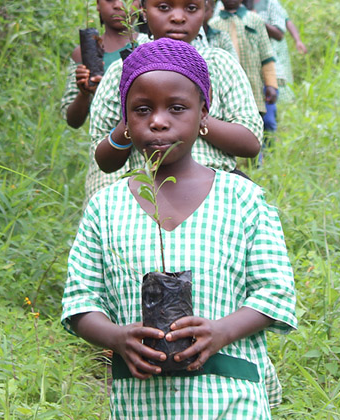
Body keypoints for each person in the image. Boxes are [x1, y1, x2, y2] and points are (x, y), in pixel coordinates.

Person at [62, 38, 297, 419]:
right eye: (141, 109)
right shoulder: (106, 209)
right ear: (125, 119)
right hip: (140, 407)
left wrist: (221, 331)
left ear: (203, 113)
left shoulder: (243, 200)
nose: (158, 120)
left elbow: (275, 293)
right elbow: (80, 303)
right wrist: (117, 338)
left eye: (176, 108)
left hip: (230, 404)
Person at [89, 0, 262, 197]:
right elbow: (104, 160)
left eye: (191, 8)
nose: (178, 17)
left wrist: (195, 119)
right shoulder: (124, 71)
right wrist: (131, 123)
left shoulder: (220, 64)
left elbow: (250, 142)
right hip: (147, 199)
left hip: (215, 198)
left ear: (205, 9)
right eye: (164, 7)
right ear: (144, 9)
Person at [60, 0, 142, 196]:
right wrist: (84, 93)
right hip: (105, 153)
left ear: (141, 5)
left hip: (146, 151)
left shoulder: (150, 45)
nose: (118, 5)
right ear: (97, 4)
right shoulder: (84, 53)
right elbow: (73, 119)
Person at [209, 0, 277, 117]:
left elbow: (266, 55)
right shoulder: (213, 24)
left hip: (254, 89)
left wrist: (271, 84)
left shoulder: (255, 20)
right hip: (225, 91)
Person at [253, 0, 307, 133]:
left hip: (273, 50)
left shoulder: (269, 3)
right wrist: (297, 40)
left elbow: (285, 22)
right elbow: (288, 21)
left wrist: (297, 40)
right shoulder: (267, 1)